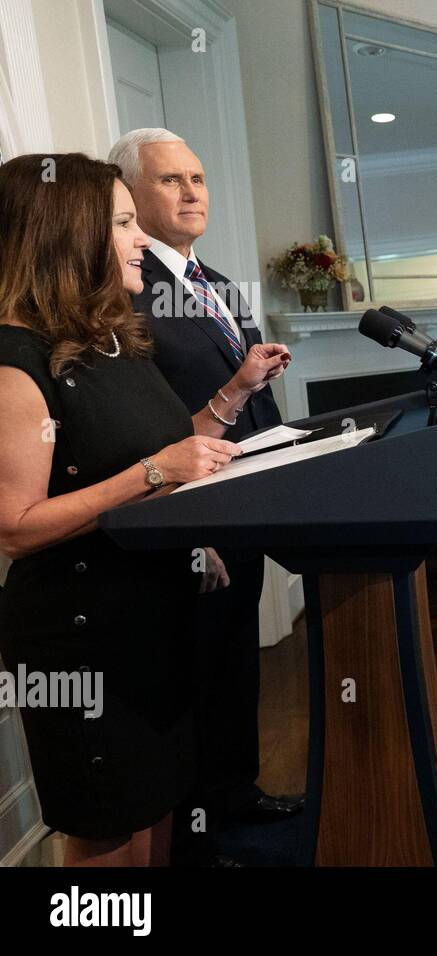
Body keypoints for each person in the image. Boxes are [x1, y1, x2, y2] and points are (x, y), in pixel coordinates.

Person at [0, 153, 245, 865]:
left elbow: (169, 450)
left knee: (158, 800)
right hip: (81, 640)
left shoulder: (115, 341)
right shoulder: (17, 363)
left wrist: (224, 407)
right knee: (108, 825)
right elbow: (15, 528)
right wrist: (152, 473)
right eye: (124, 223)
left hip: (153, 616)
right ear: (66, 235)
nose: (141, 240)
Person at [108, 128, 302, 864]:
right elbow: (142, 427)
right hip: (186, 520)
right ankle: (193, 831)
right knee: (189, 675)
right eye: (170, 181)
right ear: (129, 194)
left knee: (233, 660)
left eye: (198, 177)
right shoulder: (126, 293)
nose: (192, 192)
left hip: (243, 505)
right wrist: (189, 525)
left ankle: (233, 791)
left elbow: (250, 393)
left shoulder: (216, 281)